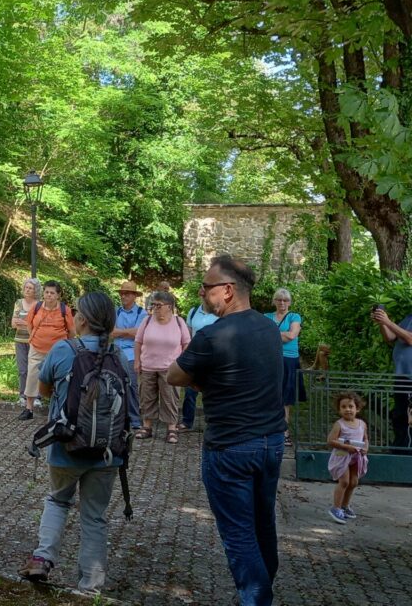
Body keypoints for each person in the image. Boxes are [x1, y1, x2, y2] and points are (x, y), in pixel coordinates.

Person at [168, 255, 286, 606]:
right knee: (264, 524)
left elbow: (174, 375)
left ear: (228, 290)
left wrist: (206, 381)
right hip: (272, 444)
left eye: (207, 287)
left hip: (230, 448)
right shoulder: (270, 330)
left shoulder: (211, 336)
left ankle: (256, 599)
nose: (202, 293)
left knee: (239, 536)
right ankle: (263, 589)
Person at [18, 291, 123, 593]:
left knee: (57, 499)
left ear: (82, 320)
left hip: (66, 447)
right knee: (95, 515)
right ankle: (91, 585)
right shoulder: (119, 357)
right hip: (107, 454)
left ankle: (42, 558)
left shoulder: (63, 350)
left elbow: (45, 390)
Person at [133, 290, 189, 444]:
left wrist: (180, 363)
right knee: (146, 397)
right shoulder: (147, 321)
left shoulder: (179, 322)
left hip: (170, 368)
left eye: (159, 305)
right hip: (148, 366)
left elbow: (186, 344)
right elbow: (138, 341)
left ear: (169, 307)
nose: (155, 308)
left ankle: (171, 429)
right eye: (154, 305)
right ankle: (147, 427)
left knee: (170, 398)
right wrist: (137, 361)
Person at [21, 280, 75, 420]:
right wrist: (33, 337)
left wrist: (65, 345)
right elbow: (29, 324)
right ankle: (29, 408)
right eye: (46, 292)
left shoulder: (65, 310)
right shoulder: (37, 307)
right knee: (32, 376)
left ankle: (58, 409)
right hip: (37, 347)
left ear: (58, 295)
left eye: (52, 293)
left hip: (58, 351)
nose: (49, 295)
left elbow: (71, 331)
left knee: (59, 378)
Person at [370, 305, 412, 449]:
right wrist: (382, 322)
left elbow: (410, 339)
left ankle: (407, 451)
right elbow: (390, 337)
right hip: (402, 375)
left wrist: (388, 322)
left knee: (409, 415)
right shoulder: (408, 317)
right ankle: (399, 447)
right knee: (400, 414)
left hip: (410, 376)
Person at [265, 288, 303, 446]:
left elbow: (292, 335)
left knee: (285, 397)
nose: (282, 303)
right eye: (279, 300)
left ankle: (284, 431)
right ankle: (268, 428)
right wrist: (283, 334)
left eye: (285, 300)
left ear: (290, 302)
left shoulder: (294, 316)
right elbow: (261, 335)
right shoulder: (266, 317)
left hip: (289, 360)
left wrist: (270, 333)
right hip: (270, 359)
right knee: (270, 395)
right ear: (274, 301)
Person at [326, 390, 369, 524]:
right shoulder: (339, 424)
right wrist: (346, 447)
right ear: (339, 410)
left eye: (351, 406)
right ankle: (336, 508)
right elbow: (330, 441)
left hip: (356, 457)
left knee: (353, 482)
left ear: (357, 408)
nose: (348, 410)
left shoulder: (362, 424)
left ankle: (345, 505)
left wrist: (366, 448)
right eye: (343, 407)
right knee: (344, 481)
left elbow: (365, 439)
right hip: (342, 455)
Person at [112, 280, 147, 430]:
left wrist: (120, 332)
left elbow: (139, 334)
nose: (123, 296)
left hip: (132, 354)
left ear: (134, 296)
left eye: (126, 294)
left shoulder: (142, 313)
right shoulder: (115, 311)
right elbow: (111, 332)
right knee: (114, 385)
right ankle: (117, 417)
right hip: (115, 353)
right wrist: (128, 332)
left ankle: (134, 419)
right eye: (122, 293)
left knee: (131, 386)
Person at [181, 297, 218, 431]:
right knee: (190, 391)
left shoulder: (219, 312)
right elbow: (187, 334)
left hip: (213, 357)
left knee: (212, 392)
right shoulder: (193, 311)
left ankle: (212, 423)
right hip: (195, 356)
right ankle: (187, 421)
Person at [11, 277, 42, 409]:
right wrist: (28, 324)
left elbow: (38, 325)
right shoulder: (18, 303)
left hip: (35, 341)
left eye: (30, 288)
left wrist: (24, 323)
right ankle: (22, 396)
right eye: (26, 287)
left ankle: (36, 397)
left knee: (34, 369)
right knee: (23, 370)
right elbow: (13, 324)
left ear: (35, 291)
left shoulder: (39, 305)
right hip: (20, 341)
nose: (27, 290)